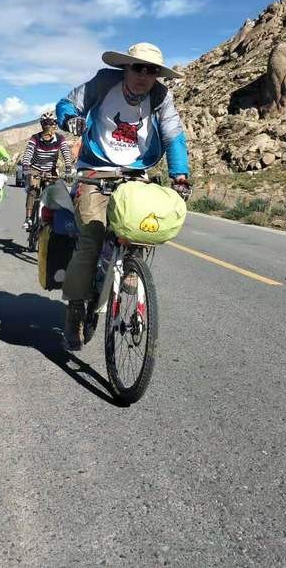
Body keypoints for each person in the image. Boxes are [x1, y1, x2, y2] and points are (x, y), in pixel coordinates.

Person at [56, 42, 190, 350]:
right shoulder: (104, 83)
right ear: (126, 67)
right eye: (138, 68)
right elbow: (67, 104)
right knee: (91, 237)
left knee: (139, 229)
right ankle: (76, 308)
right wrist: (70, 119)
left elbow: (173, 136)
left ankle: (132, 265)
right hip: (95, 170)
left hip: (135, 174)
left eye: (152, 70)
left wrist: (180, 175)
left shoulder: (161, 97)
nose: (145, 75)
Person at [21, 111, 73, 230]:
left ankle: (51, 219)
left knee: (53, 194)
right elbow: (28, 153)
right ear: (41, 125)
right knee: (33, 191)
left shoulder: (60, 139)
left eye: (51, 123)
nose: (48, 126)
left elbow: (66, 153)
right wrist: (25, 167)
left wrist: (68, 168)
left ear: (55, 125)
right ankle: (28, 218)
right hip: (35, 169)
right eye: (45, 123)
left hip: (51, 171)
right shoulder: (35, 138)